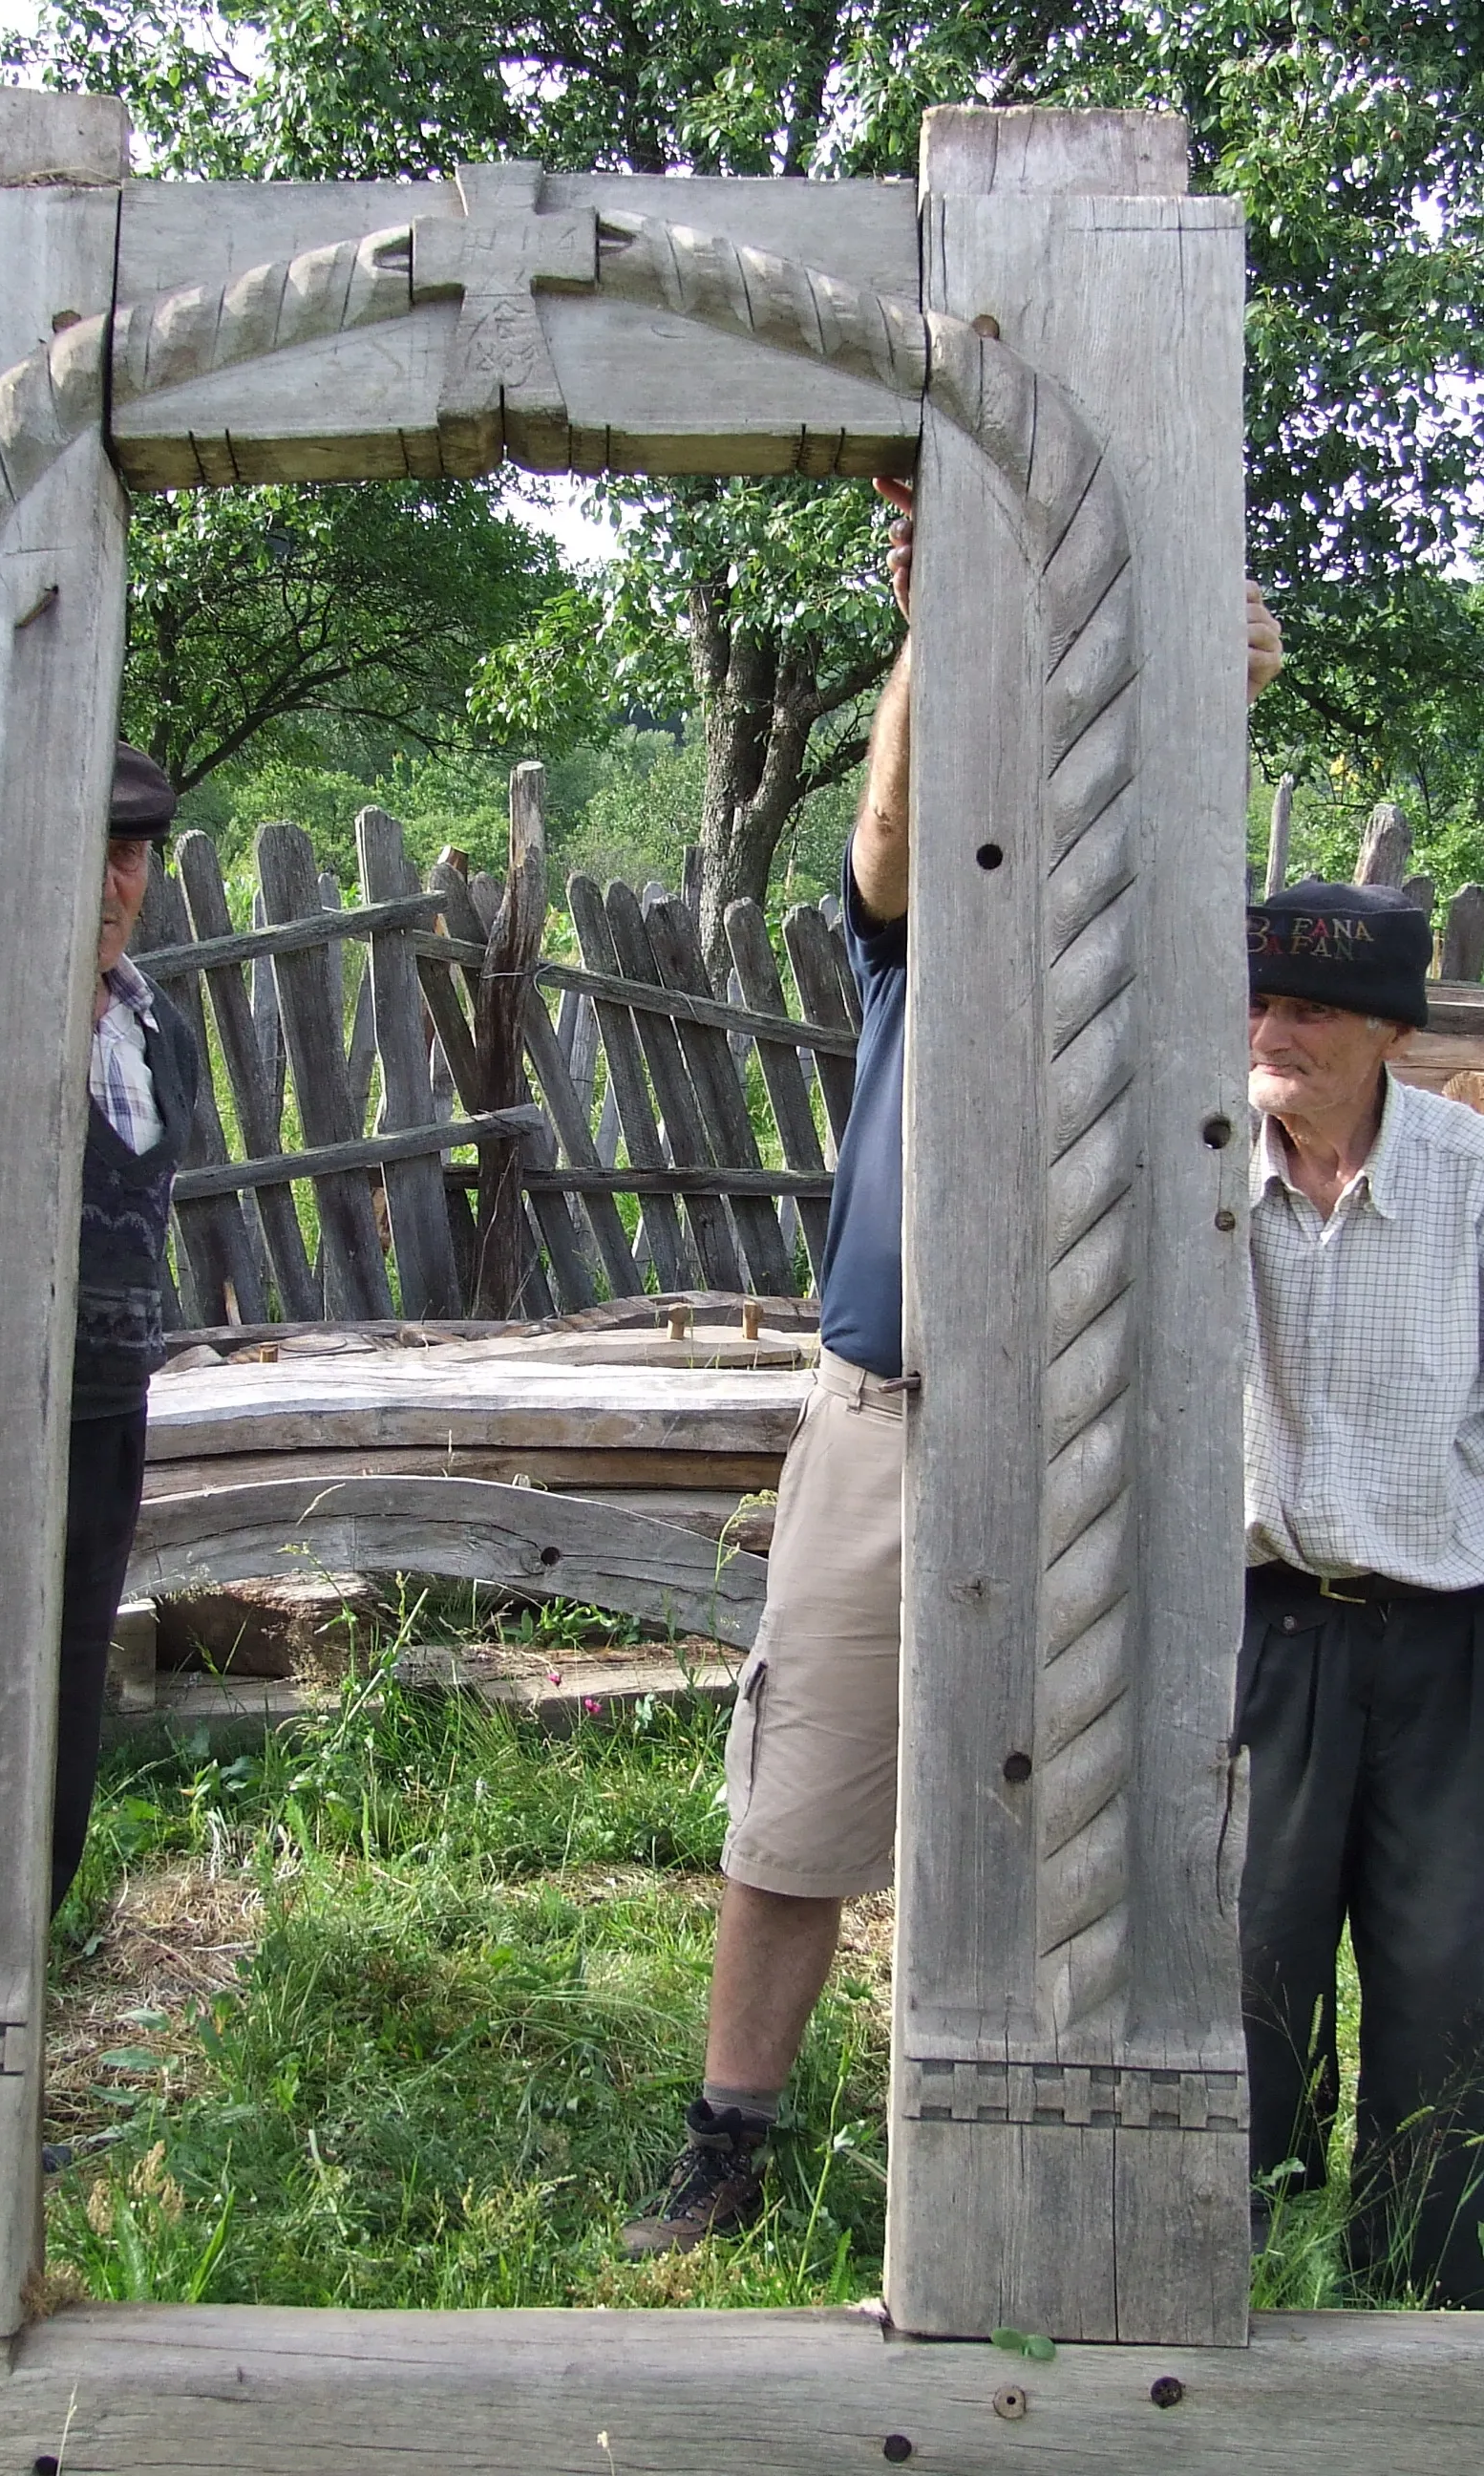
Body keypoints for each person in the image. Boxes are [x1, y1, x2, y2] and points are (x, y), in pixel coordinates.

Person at [622, 488, 1285, 2255]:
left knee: (1082, 1802)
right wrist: (931, 628)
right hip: (887, 1404)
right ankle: (726, 2138)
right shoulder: (917, 919)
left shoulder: (1160, 930)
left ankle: (1065, 2139)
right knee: (798, 1800)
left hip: (1096, 1429)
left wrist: (1206, 658)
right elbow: (893, 822)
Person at [1240, 879, 1484, 2304]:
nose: (1272, 1032)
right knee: (1251, 1959)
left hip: (1446, 1637)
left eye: (1311, 1010)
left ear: (1390, 1030)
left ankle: (1433, 2292)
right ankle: (1237, 2261)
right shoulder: (1202, 1163)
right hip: (1262, 1630)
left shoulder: (1468, 1179)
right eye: (1258, 1003)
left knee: (1445, 1963)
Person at [50, 743, 201, 1916]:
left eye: (130, 855)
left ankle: (31, 1922)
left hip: (111, 1411)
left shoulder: (160, 1037)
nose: (111, 885)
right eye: (88, 853)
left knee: (70, 1676)